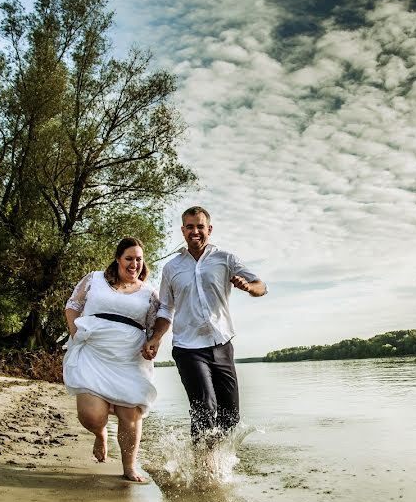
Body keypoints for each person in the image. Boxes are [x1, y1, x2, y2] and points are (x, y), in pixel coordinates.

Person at [143, 206, 266, 447]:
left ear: (209, 229)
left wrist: (249, 288)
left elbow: (261, 285)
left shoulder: (225, 259)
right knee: (205, 407)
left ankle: (217, 462)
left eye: (200, 226)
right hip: (188, 347)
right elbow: (166, 309)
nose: (195, 231)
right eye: (190, 227)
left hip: (222, 345)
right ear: (183, 230)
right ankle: (204, 466)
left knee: (230, 417)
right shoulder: (172, 268)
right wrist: (155, 338)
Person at [63, 237, 160, 482]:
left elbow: (153, 328)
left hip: (129, 358)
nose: (134, 264)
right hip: (93, 353)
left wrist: (152, 345)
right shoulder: (94, 279)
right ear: (118, 259)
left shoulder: (149, 292)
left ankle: (129, 467)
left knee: (131, 415)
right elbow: (73, 305)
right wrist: (75, 332)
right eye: (129, 258)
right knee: (91, 415)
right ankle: (100, 433)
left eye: (139, 259)